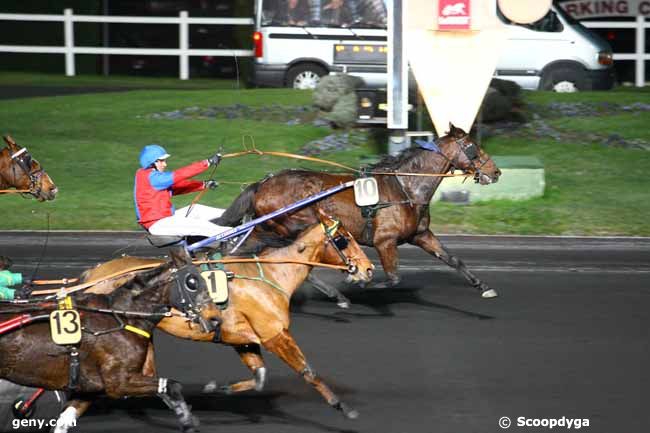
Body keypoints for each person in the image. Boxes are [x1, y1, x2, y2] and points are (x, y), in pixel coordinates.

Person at [134, 144, 232, 238]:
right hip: (159, 224)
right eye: (161, 161)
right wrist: (207, 162)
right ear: (152, 162)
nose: (165, 164)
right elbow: (180, 175)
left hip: (165, 218)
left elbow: (178, 187)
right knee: (199, 225)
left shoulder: (149, 176)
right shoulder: (152, 177)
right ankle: (234, 235)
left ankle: (234, 214)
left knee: (197, 209)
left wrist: (204, 184)